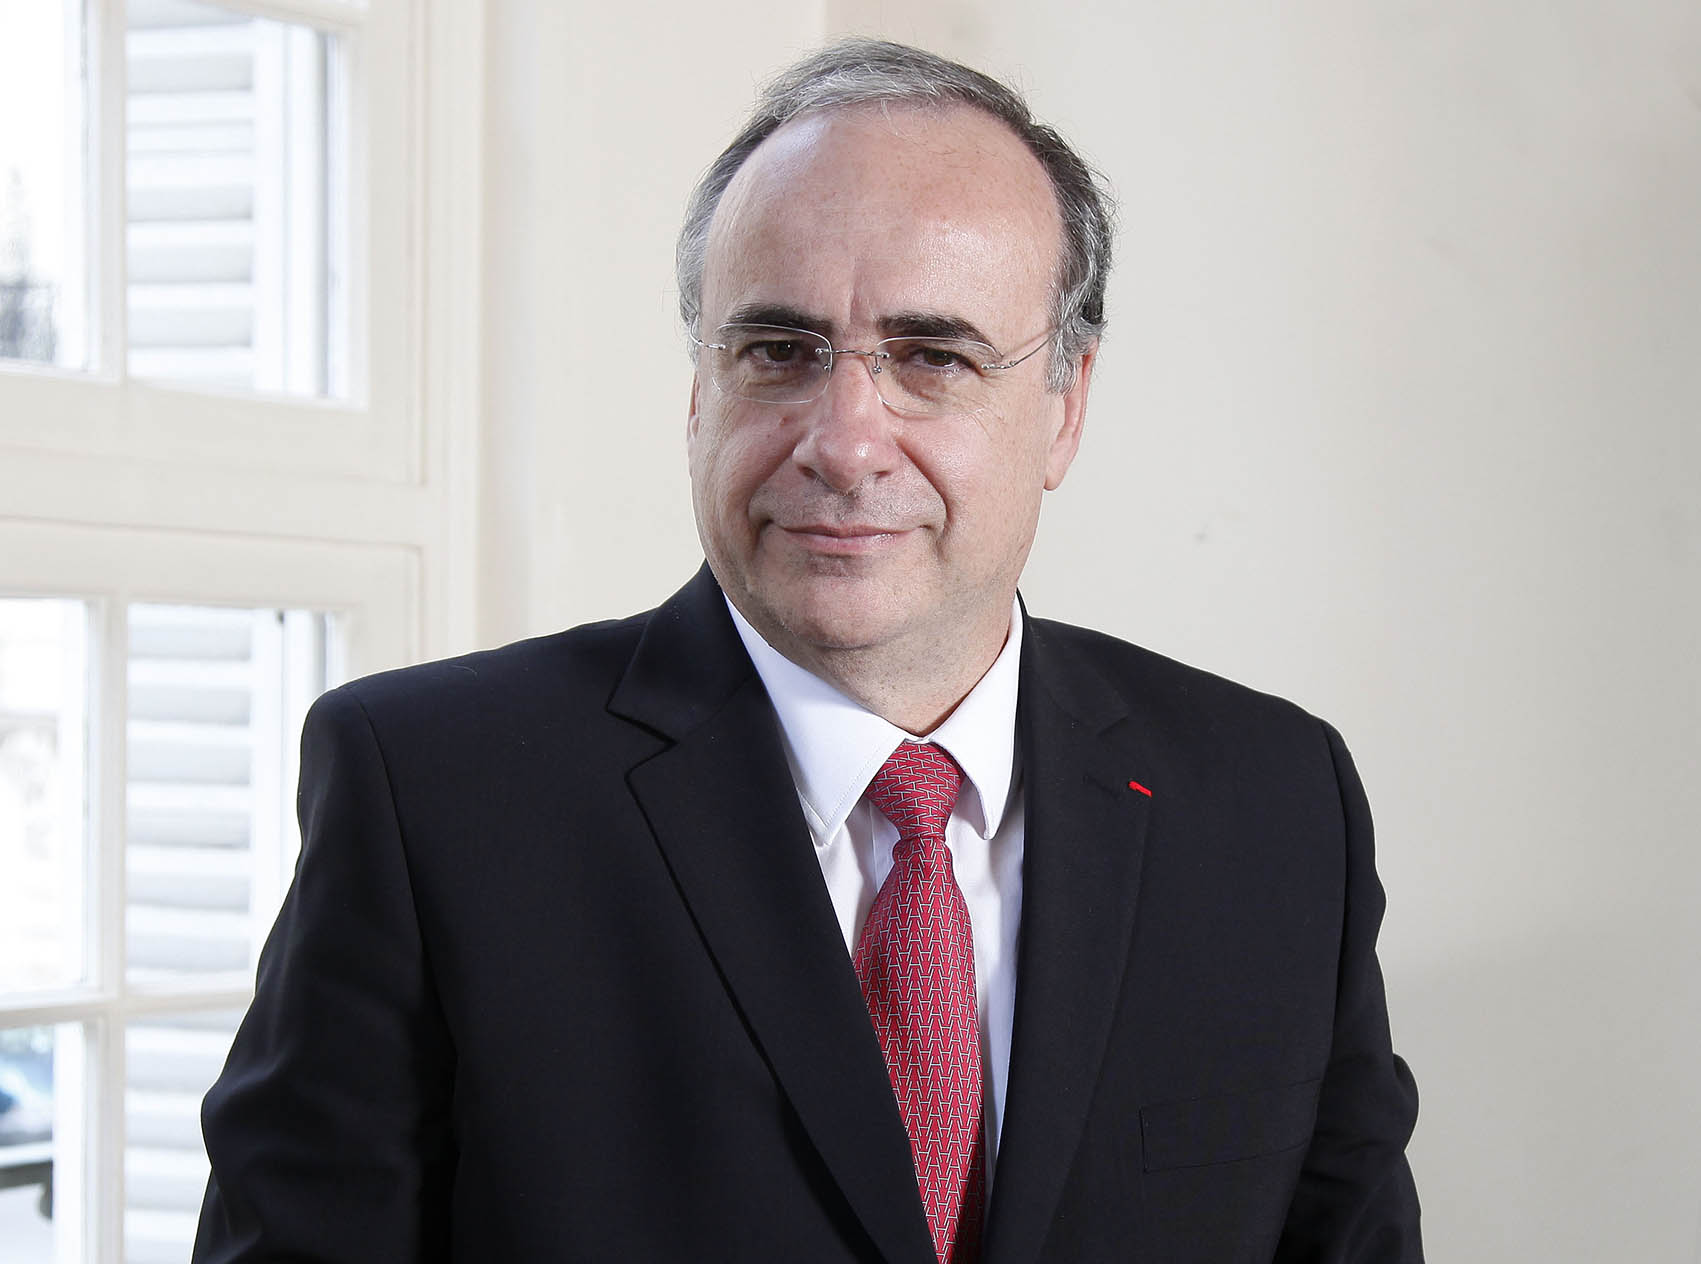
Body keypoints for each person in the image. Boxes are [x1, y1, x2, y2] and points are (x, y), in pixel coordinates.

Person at [193, 39, 1421, 1263]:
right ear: (699, 393)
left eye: (933, 358)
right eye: (778, 351)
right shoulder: (432, 796)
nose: (843, 441)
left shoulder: (1275, 806)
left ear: (1065, 405)